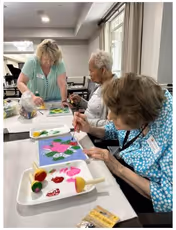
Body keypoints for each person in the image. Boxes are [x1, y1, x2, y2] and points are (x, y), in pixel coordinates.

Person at [73, 73, 173, 213]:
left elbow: (167, 199)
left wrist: (116, 167)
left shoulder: (169, 133)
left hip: (144, 200)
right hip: (124, 173)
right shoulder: (137, 115)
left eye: (116, 113)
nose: (109, 116)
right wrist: (89, 128)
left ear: (137, 115)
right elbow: (112, 130)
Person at [70, 50, 115, 127]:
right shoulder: (100, 85)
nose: (89, 74)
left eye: (91, 71)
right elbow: (94, 110)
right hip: (87, 127)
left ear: (103, 70)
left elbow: (112, 125)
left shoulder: (116, 90)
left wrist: (86, 121)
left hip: (94, 133)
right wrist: (81, 101)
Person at [17, 39, 68, 107]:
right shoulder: (32, 62)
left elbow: (62, 84)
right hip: (35, 103)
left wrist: (64, 101)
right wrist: (32, 97)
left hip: (55, 102)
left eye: (52, 60)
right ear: (40, 55)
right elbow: (20, 82)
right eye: (46, 59)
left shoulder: (59, 62)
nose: (49, 63)